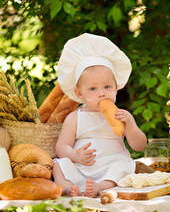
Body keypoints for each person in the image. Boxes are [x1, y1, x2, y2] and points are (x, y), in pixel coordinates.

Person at [53, 33, 147, 197]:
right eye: (93, 89)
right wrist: (74, 155)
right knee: (59, 165)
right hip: (83, 165)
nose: (102, 93)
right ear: (79, 94)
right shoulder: (75, 117)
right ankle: (67, 187)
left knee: (123, 165)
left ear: (116, 88)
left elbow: (139, 146)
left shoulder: (120, 116)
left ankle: (101, 187)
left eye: (107, 87)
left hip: (111, 163)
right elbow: (61, 147)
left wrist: (131, 126)